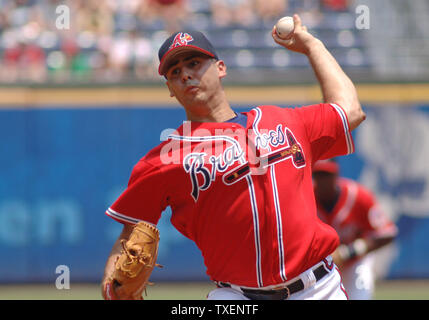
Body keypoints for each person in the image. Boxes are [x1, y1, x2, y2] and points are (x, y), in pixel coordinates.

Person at [101, 14, 366, 300]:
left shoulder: (283, 120)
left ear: (221, 67)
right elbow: (131, 234)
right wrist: (110, 286)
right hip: (235, 297)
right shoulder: (168, 156)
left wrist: (312, 46)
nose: (186, 74)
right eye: (174, 72)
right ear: (169, 88)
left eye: (194, 63)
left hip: (317, 289)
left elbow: (350, 111)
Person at [312, 159, 398, 299]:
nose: (322, 180)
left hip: (356, 264)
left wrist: (349, 251)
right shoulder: (307, 200)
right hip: (321, 267)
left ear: (336, 174)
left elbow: (387, 233)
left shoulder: (359, 196)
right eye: (318, 175)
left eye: (326, 175)